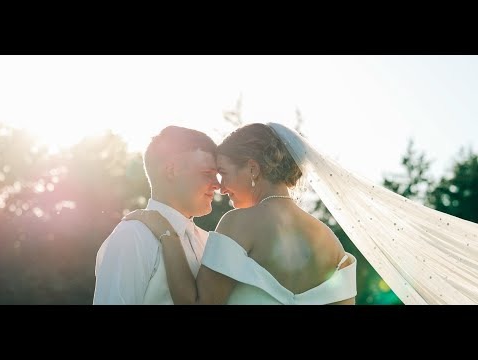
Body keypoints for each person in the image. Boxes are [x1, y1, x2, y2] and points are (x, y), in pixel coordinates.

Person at [124, 123, 357, 304]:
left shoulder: (238, 223)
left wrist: (167, 233)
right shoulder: (330, 241)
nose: (221, 188)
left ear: (253, 169)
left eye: (224, 173)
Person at [93, 126, 220, 304]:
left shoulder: (207, 241)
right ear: (171, 171)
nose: (217, 185)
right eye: (208, 174)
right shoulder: (132, 237)